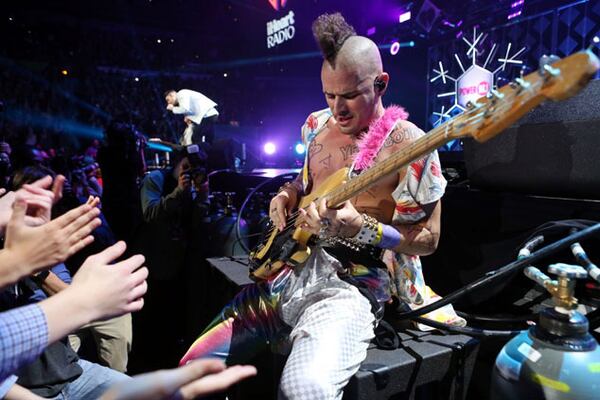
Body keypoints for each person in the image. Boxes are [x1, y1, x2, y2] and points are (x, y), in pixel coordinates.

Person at [179, 13, 445, 399]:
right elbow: (303, 183)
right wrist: (285, 196)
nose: (338, 108)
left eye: (350, 95)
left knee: (304, 388)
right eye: (329, 95)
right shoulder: (315, 124)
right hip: (284, 277)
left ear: (381, 83)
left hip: (349, 288)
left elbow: (429, 239)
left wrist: (365, 228)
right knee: (189, 373)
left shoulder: (410, 144)